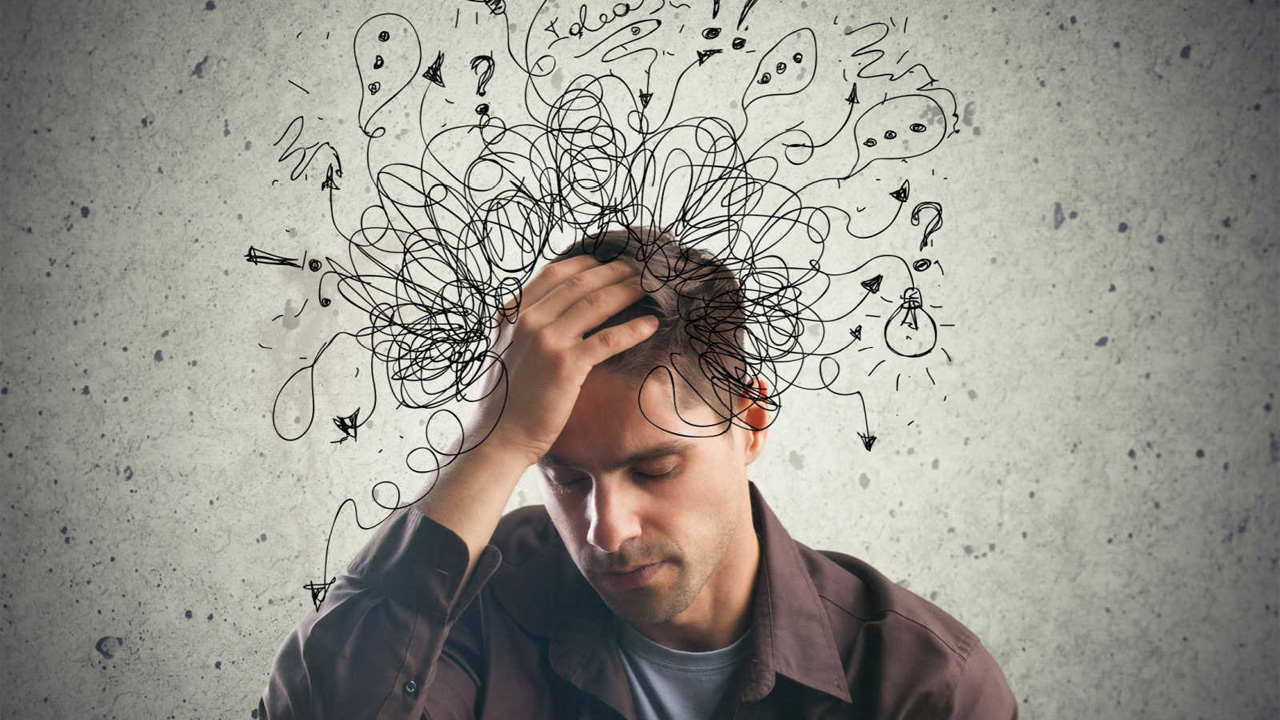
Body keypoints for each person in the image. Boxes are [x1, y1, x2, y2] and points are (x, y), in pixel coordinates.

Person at [258, 227, 1019, 719]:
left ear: (749, 424)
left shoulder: (919, 685)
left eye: (655, 468)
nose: (607, 529)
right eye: (564, 477)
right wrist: (491, 445)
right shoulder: (473, 614)